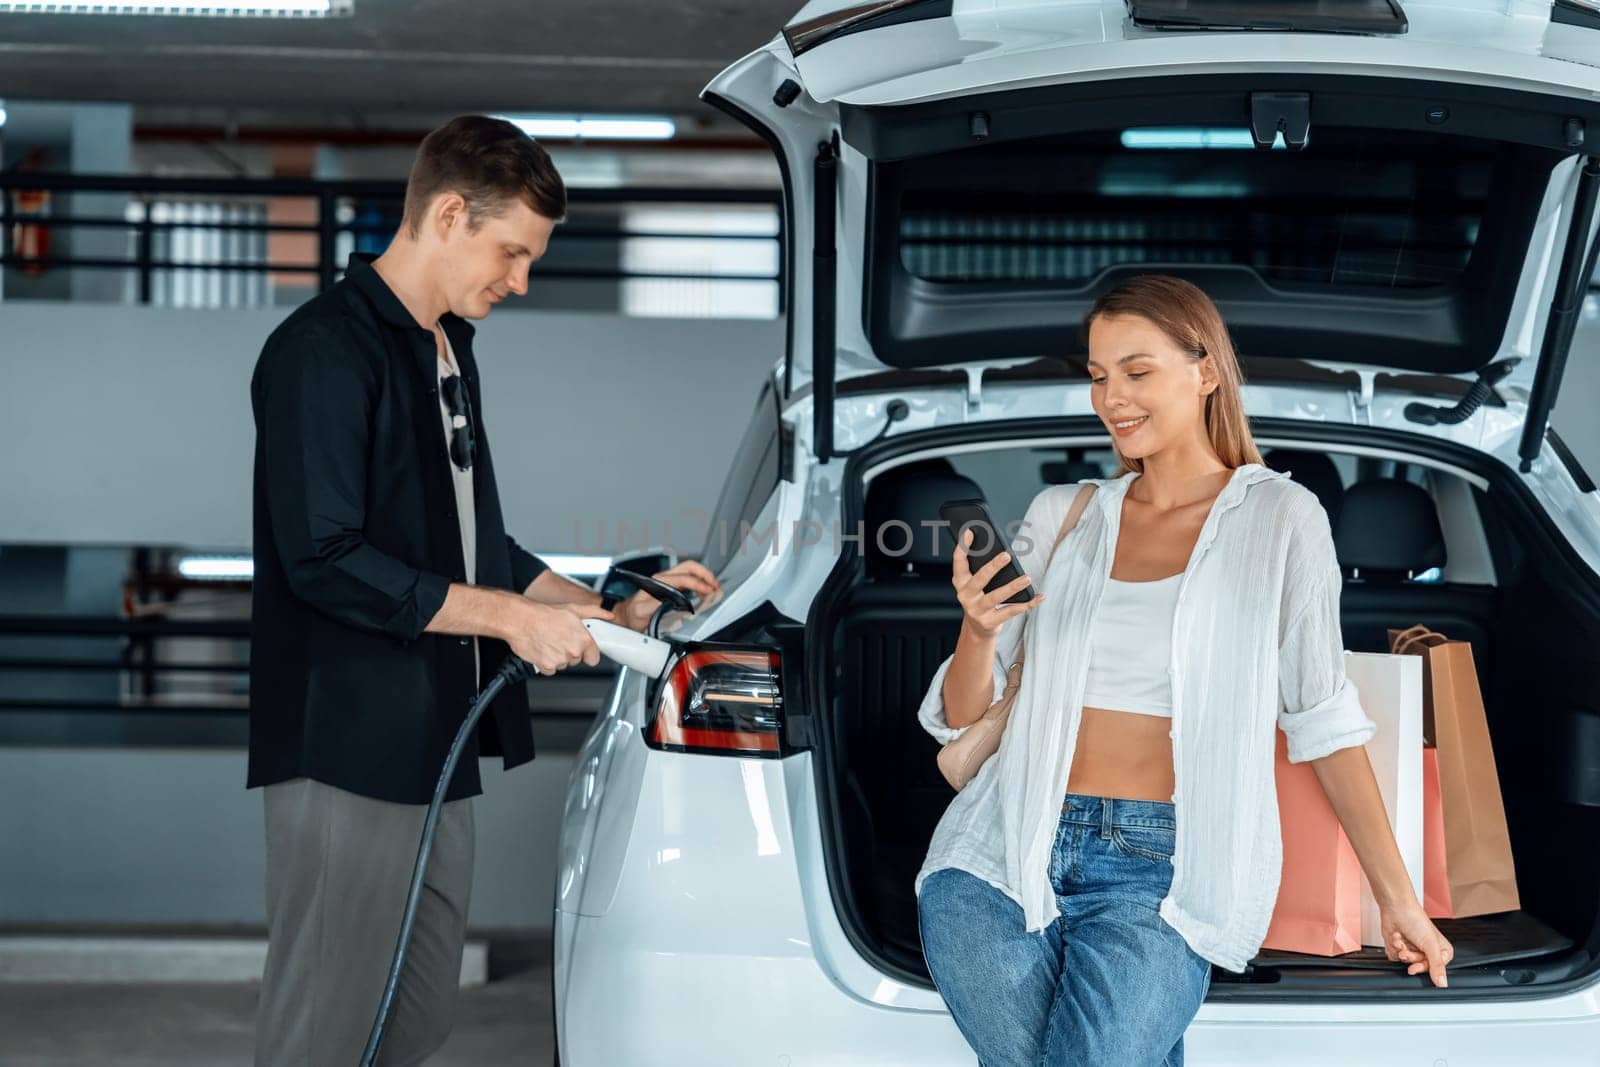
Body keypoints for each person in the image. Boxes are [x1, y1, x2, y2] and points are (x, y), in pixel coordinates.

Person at [247, 114, 719, 1065]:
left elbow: (470, 539)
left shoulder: (447, 347)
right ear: (450, 213)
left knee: (413, 1020)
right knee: (326, 1032)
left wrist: (599, 609)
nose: (521, 280)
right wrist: (512, 619)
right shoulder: (324, 353)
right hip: (346, 748)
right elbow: (324, 557)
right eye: (511, 252)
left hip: (433, 737)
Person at [913, 274, 1453, 1066]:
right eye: (1098, 377)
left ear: (1206, 370)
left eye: (1137, 372)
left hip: (1160, 865)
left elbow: (1323, 719)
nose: (1112, 398)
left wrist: (1397, 898)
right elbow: (965, 720)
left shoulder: (1279, 516)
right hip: (998, 846)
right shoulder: (1060, 513)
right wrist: (977, 629)